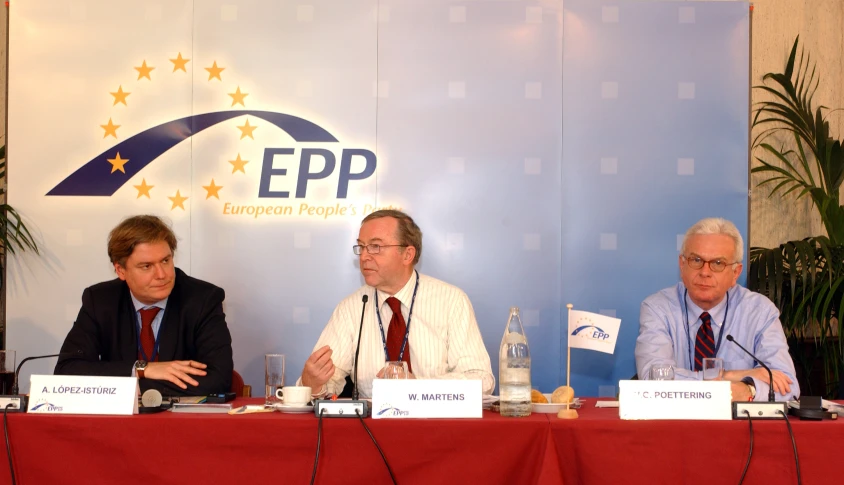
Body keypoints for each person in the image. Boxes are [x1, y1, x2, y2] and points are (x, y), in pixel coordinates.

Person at [299, 209, 494, 398]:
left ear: (407, 255)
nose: (364, 256)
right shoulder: (351, 308)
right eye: (362, 246)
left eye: (375, 247)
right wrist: (312, 384)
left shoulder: (451, 301)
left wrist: (417, 387)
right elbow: (323, 383)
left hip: (437, 425)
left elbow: (481, 380)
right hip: (371, 428)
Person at [55, 215, 233, 396]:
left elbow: (219, 379)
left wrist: (135, 388)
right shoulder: (100, 301)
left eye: (165, 260)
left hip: (179, 421)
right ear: (121, 270)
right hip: (118, 422)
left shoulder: (202, 299)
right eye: (147, 266)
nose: (162, 274)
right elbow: (67, 370)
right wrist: (142, 368)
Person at [635, 217, 799, 401]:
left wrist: (748, 391)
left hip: (739, 427)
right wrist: (730, 376)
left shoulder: (759, 311)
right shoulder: (658, 308)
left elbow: (788, 386)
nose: (705, 272)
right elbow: (653, 377)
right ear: (682, 265)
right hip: (675, 425)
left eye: (718, 263)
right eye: (696, 260)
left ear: (735, 273)